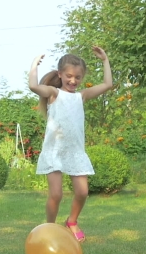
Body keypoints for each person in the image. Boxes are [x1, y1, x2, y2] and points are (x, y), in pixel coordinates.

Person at [28, 46, 113, 242]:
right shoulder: (53, 93)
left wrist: (105, 60)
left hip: (75, 152)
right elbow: (33, 86)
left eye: (78, 77)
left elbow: (107, 84)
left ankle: (72, 221)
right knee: (56, 195)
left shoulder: (80, 96)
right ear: (60, 74)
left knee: (83, 192)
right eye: (69, 76)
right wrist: (34, 65)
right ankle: (49, 227)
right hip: (55, 152)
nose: (73, 81)